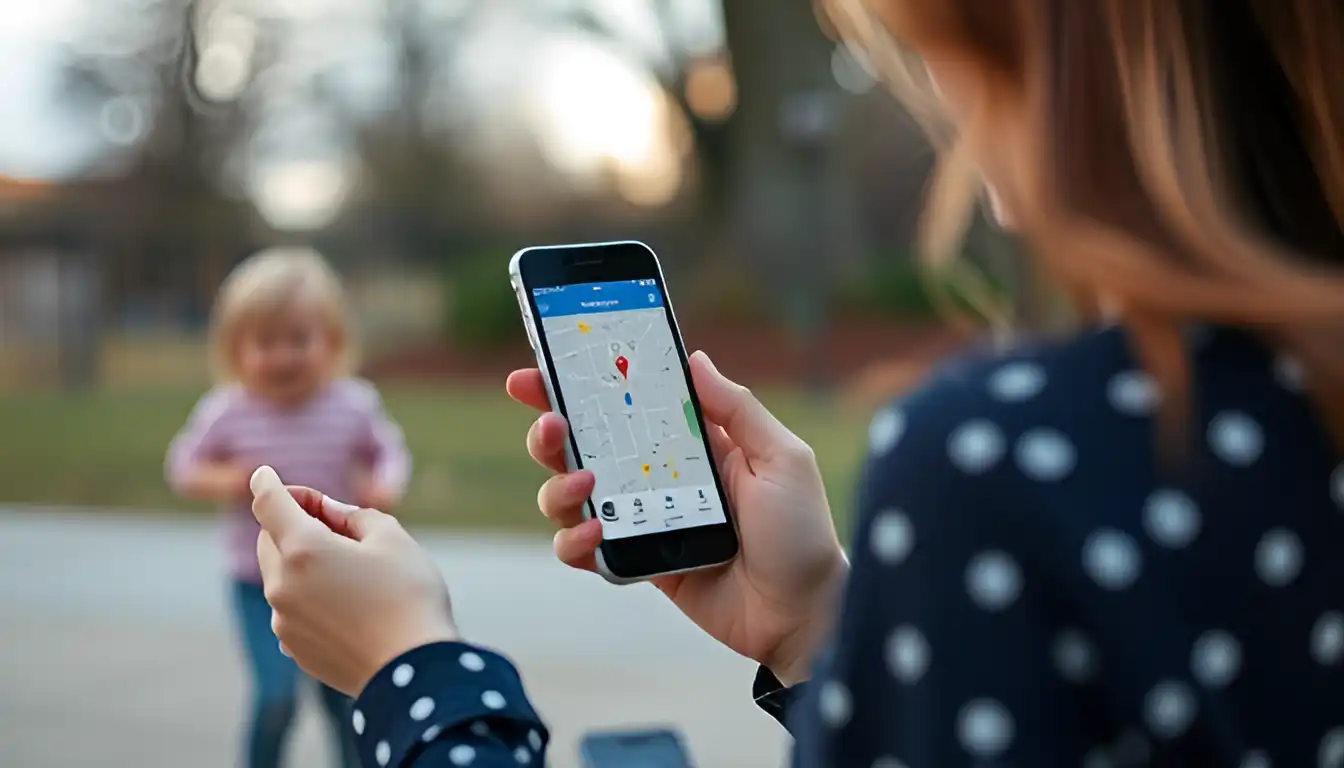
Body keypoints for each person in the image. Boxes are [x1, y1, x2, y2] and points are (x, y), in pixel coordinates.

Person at [248, 0, 1344, 766]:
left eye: (932, 55)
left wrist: (411, 668)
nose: (943, 111)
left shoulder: (1003, 464)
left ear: (1035, 54)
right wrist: (814, 624)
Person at [166, 248, 412, 768]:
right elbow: (182, 465)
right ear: (236, 349)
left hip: (338, 578)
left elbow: (390, 452)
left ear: (333, 342)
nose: (282, 357)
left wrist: (383, 486)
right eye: (265, 342)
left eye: (298, 340)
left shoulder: (353, 404)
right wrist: (225, 479)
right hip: (258, 583)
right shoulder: (228, 410)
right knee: (277, 697)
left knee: (346, 698)